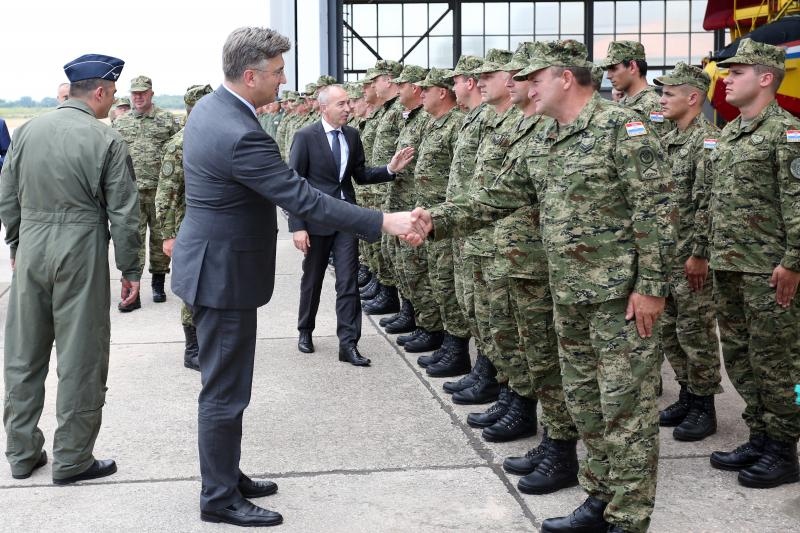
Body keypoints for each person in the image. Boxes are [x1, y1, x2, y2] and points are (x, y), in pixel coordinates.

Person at [412, 39, 676, 533]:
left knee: (626, 409)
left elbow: (657, 211)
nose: (526, 87)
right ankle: (599, 500)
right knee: (585, 403)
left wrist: (653, 287)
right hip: (567, 294)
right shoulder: (546, 138)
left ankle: (630, 518)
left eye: (535, 78)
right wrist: (431, 222)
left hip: (619, 298)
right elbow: (495, 199)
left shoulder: (622, 128)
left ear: (565, 78)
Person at [170, 26, 417, 527]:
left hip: (215, 263)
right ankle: (218, 497)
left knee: (226, 384)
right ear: (250, 74)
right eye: (279, 72)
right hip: (224, 273)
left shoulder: (210, 109)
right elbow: (301, 196)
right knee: (225, 390)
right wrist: (382, 221)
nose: (284, 82)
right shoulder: (239, 132)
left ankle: (226, 473)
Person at [0, 53, 140, 484]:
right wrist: (131, 269)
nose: (113, 100)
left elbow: (7, 193)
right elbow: (125, 214)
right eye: (113, 93)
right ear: (99, 92)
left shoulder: (28, 131)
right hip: (80, 248)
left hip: (34, 245)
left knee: (23, 354)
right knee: (81, 356)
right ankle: (73, 457)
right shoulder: (107, 140)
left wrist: (17, 241)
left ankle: (22, 453)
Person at [708, 38, 800, 489]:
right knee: (742, 359)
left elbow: (798, 202)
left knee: (780, 363)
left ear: (765, 78)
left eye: (736, 72)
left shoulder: (786, 132)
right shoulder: (730, 132)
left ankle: (784, 448)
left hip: (770, 271)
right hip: (729, 267)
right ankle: (760, 434)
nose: (725, 78)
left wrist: (794, 262)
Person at [288, 84, 414, 365]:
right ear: (324, 108)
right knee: (313, 279)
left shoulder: (352, 136)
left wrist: (390, 170)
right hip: (317, 220)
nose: (348, 108)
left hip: (346, 218)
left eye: (348, 103)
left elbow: (359, 174)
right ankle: (305, 330)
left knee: (348, 283)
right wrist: (298, 226)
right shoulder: (305, 137)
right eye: (341, 104)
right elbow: (293, 185)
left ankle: (348, 344)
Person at [653, 63, 723, 442]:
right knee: (671, 330)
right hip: (667, 256)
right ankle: (686, 392)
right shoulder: (668, 139)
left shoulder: (707, 142)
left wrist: (699, 253)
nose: (661, 100)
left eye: (669, 94)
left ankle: (704, 405)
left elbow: (708, 204)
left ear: (693, 97)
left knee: (695, 331)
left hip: (690, 258)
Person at [155, 84, 214, 372]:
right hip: (188, 229)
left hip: (216, 229)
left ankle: (209, 343)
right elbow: (166, 194)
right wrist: (167, 236)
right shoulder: (179, 144)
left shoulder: (215, 138)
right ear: (192, 108)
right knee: (192, 288)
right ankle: (192, 350)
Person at [113, 75, 180, 311]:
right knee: (133, 240)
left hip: (162, 191)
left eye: (143, 92)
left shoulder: (168, 120)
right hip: (130, 192)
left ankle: (159, 283)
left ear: (151, 93)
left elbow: (181, 152)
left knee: (161, 238)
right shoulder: (121, 123)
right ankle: (133, 288)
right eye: (134, 93)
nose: (138, 97)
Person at [601, 40, 673, 136]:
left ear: (632, 67)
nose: (608, 76)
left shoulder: (654, 107)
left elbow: (659, 148)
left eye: (613, 69)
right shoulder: (623, 102)